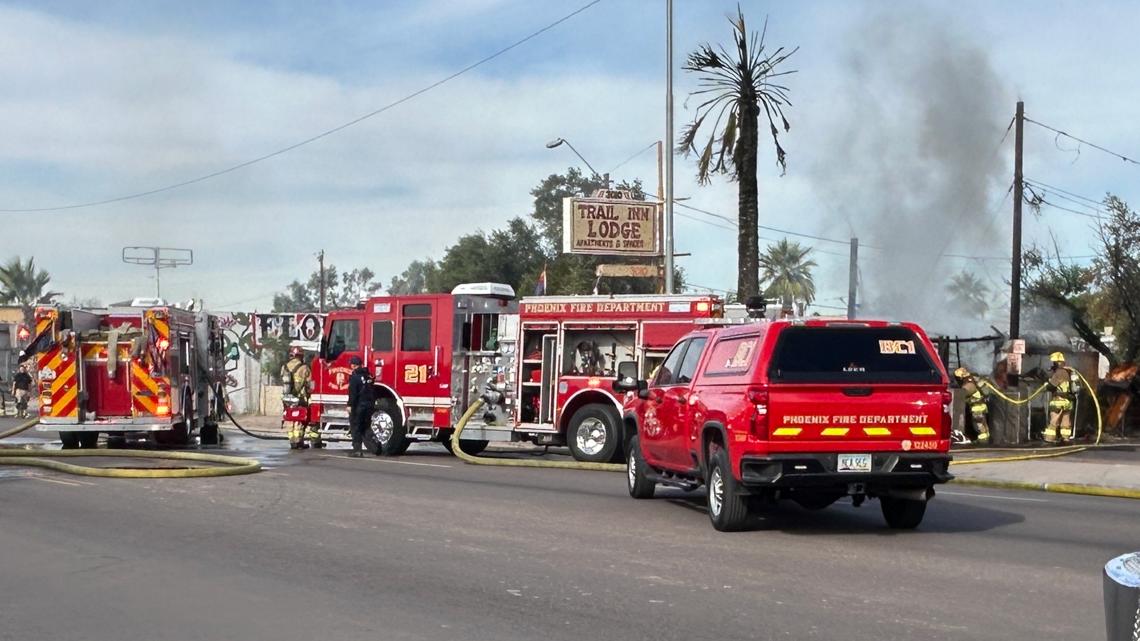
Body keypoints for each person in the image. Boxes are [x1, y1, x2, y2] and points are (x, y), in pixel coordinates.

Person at [281, 347, 322, 450]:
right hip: (300, 398)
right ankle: (298, 441)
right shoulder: (304, 368)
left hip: (287, 397)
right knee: (299, 419)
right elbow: (310, 385)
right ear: (300, 356)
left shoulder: (284, 367)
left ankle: (292, 441)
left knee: (290, 418)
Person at [1044, 352, 1077, 444]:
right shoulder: (1068, 373)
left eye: (1053, 363)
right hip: (1067, 402)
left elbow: (1051, 387)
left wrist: (1047, 383)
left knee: (1054, 422)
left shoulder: (1058, 373)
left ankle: (1049, 438)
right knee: (1065, 422)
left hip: (1058, 401)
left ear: (1057, 363)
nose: (1052, 365)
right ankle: (1065, 438)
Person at [953, 367, 991, 445]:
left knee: (979, 424)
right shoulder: (971, 380)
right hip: (977, 407)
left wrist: (959, 393)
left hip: (977, 408)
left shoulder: (969, 383)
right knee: (980, 424)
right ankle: (983, 439)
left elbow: (967, 391)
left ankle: (983, 441)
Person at [347, 355, 376, 457]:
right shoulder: (368, 376)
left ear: (354, 365)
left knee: (356, 427)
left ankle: (357, 450)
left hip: (358, 405)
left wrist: (350, 405)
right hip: (369, 405)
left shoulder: (354, 377)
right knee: (366, 427)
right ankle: (376, 447)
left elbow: (353, 393)